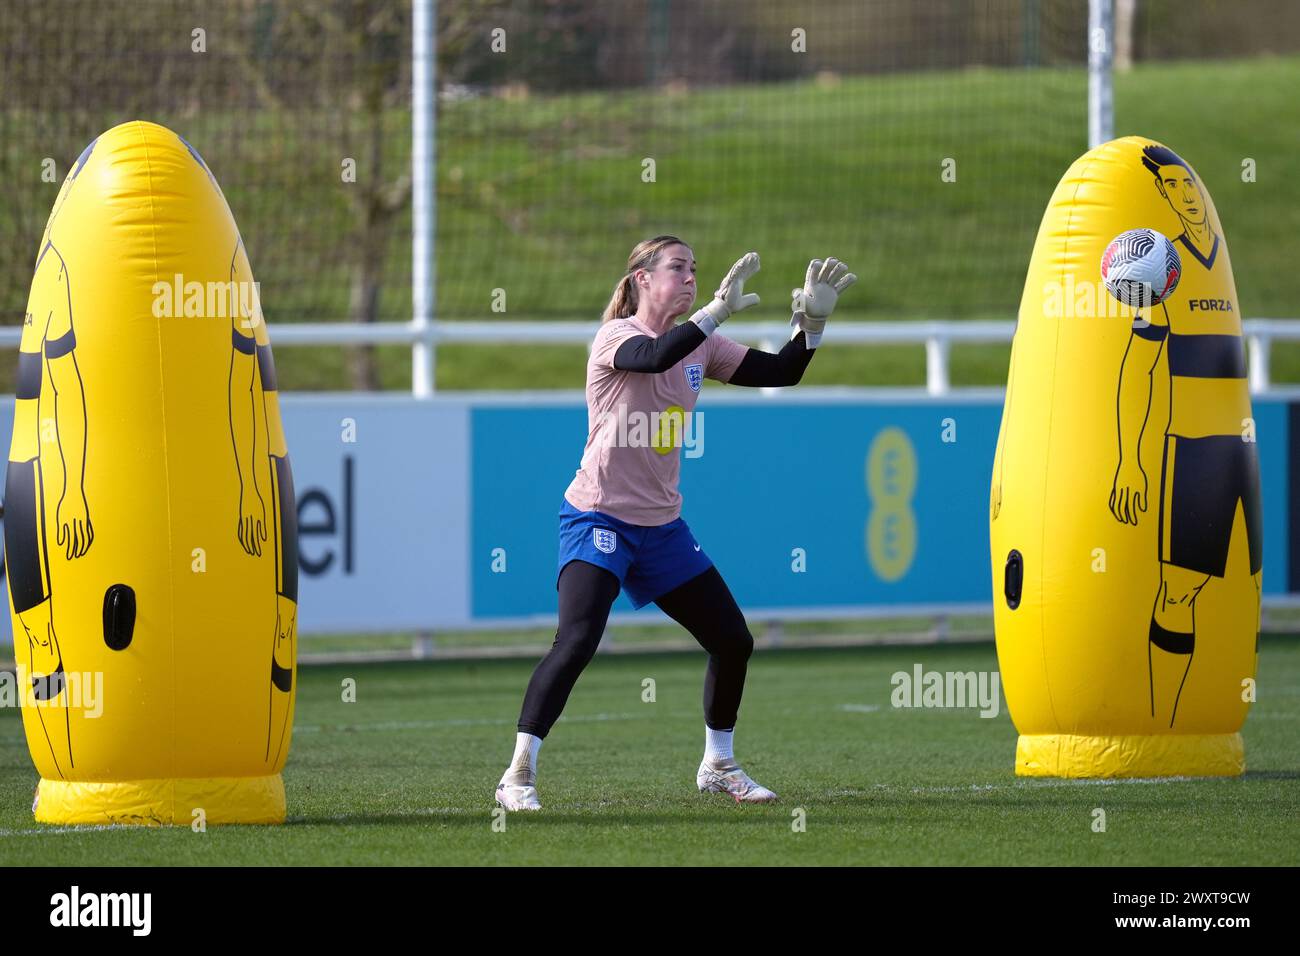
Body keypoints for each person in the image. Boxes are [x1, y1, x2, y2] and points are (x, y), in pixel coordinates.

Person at [495, 235, 856, 810]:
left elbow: (783, 372)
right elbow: (655, 356)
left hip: (662, 528)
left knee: (732, 641)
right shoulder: (618, 337)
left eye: (695, 270)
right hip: (597, 516)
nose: (691, 279)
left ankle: (719, 764)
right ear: (641, 278)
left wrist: (809, 325)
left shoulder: (702, 348)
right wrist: (716, 311)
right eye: (678, 268)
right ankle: (517, 776)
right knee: (579, 638)